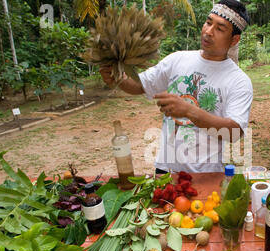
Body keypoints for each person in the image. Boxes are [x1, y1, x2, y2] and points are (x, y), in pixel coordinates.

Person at [100, 0, 253, 174]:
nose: (209, 32)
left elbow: (233, 132)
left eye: (220, 28)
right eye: (208, 22)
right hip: (166, 169)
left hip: (205, 174)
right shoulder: (178, 59)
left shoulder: (239, 81)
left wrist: (189, 111)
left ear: (234, 40)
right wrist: (118, 79)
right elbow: (140, 85)